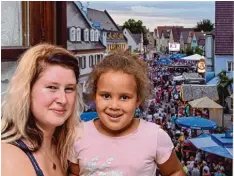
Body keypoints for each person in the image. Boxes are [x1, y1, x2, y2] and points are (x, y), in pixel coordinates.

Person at [69, 51, 185, 175]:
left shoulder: (154, 137)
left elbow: (175, 171)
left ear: (137, 100)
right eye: (106, 96)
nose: (114, 106)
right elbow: (75, 173)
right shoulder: (78, 135)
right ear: (94, 96)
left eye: (124, 97)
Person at [1, 43, 84, 176]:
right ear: (27, 90)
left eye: (69, 89)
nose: (63, 100)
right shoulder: (10, 156)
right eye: (52, 87)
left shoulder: (63, 146)